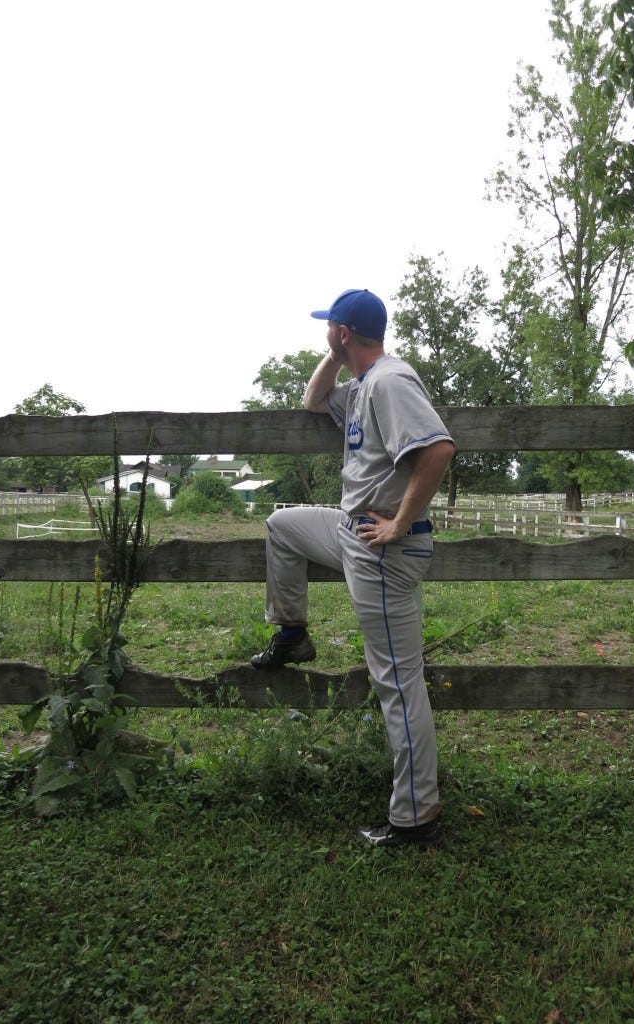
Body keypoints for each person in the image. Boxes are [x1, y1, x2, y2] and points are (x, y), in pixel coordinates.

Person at [251, 288, 455, 848]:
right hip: (352, 532)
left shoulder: (390, 381)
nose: (326, 332)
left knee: (396, 680)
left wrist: (396, 524)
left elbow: (437, 449)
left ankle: (417, 818)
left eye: (331, 327)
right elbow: (314, 400)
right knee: (282, 524)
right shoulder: (363, 383)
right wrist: (338, 355)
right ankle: (293, 634)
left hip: (382, 547)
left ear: (343, 331)